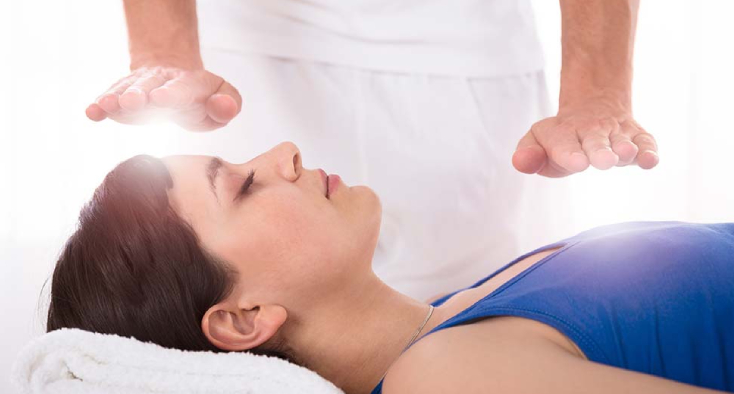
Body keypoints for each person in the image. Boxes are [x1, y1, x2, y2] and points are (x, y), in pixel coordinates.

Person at [46, 142, 732, 394]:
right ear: (243, 318)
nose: (282, 153)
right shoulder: (438, 385)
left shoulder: (453, 315)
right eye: (244, 186)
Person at [82, 0, 659, 301]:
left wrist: (597, 88)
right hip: (242, 66)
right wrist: (163, 53)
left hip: (462, 62)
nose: (289, 157)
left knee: (477, 320)